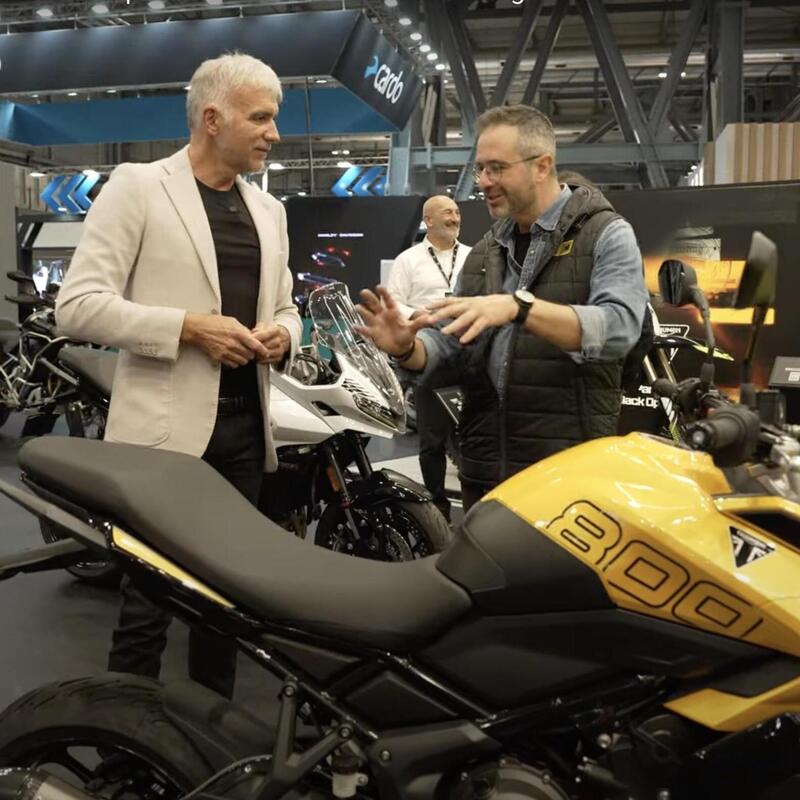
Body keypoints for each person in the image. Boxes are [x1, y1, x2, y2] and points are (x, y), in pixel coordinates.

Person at [55, 52, 302, 698]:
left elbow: (286, 307)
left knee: (223, 605)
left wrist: (285, 335)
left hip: (245, 433)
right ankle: (120, 739)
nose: (274, 133)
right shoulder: (139, 186)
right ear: (212, 119)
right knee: (146, 605)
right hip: (161, 441)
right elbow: (77, 307)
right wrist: (189, 328)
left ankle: (210, 737)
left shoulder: (269, 211)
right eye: (261, 118)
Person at [356, 104, 648, 512]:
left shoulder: (606, 234)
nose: (484, 182)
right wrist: (409, 348)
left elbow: (619, 328)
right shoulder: (485, 252)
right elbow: (455, 346)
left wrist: (519, 307)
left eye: (497, 169)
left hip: (568, 478)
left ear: (542, 166)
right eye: (480, 169)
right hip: (485, 470)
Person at [385, 196, 470, 520]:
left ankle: (478, 510)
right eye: (448, 212)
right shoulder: (408, 260)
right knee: (432, 440)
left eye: (457, 212)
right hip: (428, 354)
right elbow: (393, 301)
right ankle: (438, 512)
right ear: (429, 220)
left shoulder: (473, 255)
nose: (455, 217)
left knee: (475, 435)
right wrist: (417, 314)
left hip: (469, 352)